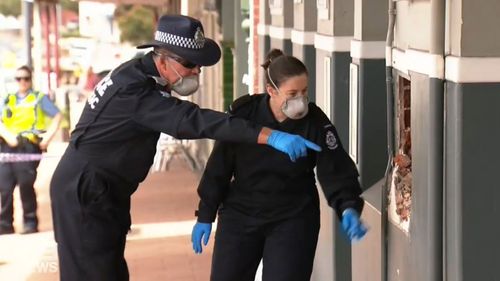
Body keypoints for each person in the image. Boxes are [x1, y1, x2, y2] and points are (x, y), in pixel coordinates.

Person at [49, 15, 320, 281]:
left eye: (199, 65)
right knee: (93, 273)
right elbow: (193, 121)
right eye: (190, 63)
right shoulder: (135, 92)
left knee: (109, 270)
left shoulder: (139, 74)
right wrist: (269, 135)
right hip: (86, 189)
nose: (196, 71)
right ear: (163, 58)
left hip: (102, 188)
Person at [191, 49, 368, 281]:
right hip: (241, 215)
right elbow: (219, 168)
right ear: (271, 91)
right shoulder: (245, 115)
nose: (300, 100)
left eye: (304, 92)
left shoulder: (315, 121)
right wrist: (205, 213)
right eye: (292, 93)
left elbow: (335, 168)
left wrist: (348, 206)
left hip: (293, 217)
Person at [0, 65, 62, 235]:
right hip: (7, 147)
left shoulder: (38, 98)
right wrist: (7, 135)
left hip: (27, 147)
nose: (22, 82)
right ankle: (5, 224)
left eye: (26, 78)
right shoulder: (8, 99)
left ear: (30, 79)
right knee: (4, 186)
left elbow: (57, 116)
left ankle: (30, 222)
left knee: (25, 185)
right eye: (19, 78)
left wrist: (47, 138)